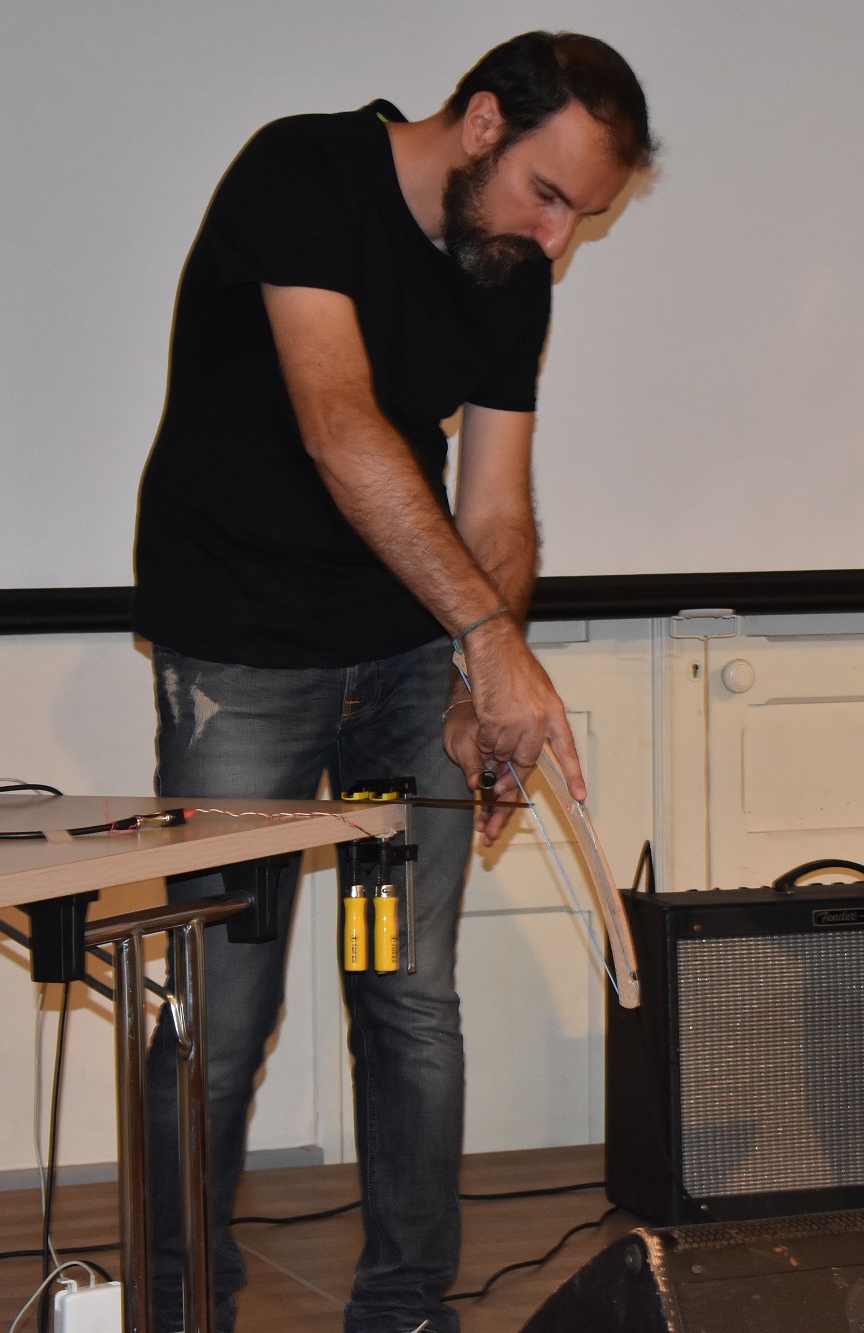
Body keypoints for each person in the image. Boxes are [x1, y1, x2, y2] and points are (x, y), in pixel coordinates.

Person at [129, 32, 653, 1333]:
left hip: (407, 675)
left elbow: (499, 508)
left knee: (403, 992)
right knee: (223, 1011)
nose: (556, 239)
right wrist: (491, 639)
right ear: (479, 121)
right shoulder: (305, 172)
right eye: (547, 194)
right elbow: (338, 419)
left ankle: (406, 1309)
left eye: (582, 217)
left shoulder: (508, 271)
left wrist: (480, 677)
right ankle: (180, 1309)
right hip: (244, 663)